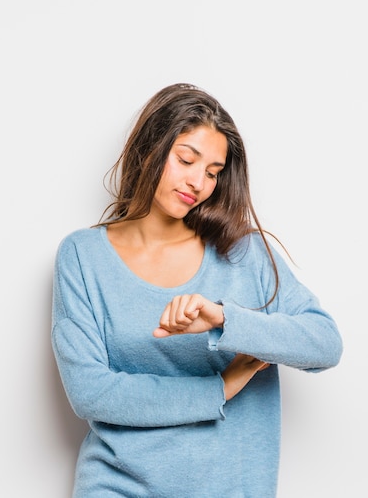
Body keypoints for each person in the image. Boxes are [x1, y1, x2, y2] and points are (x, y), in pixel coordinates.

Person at [51, 83, 343, 497]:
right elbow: (91, 393)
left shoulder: (243, 253)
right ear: (149, 149)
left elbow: (325, 344)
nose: (198, 183)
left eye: (212, 172)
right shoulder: (83, 256)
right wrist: (220, 388)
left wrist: (225, 320)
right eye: (186, 159)